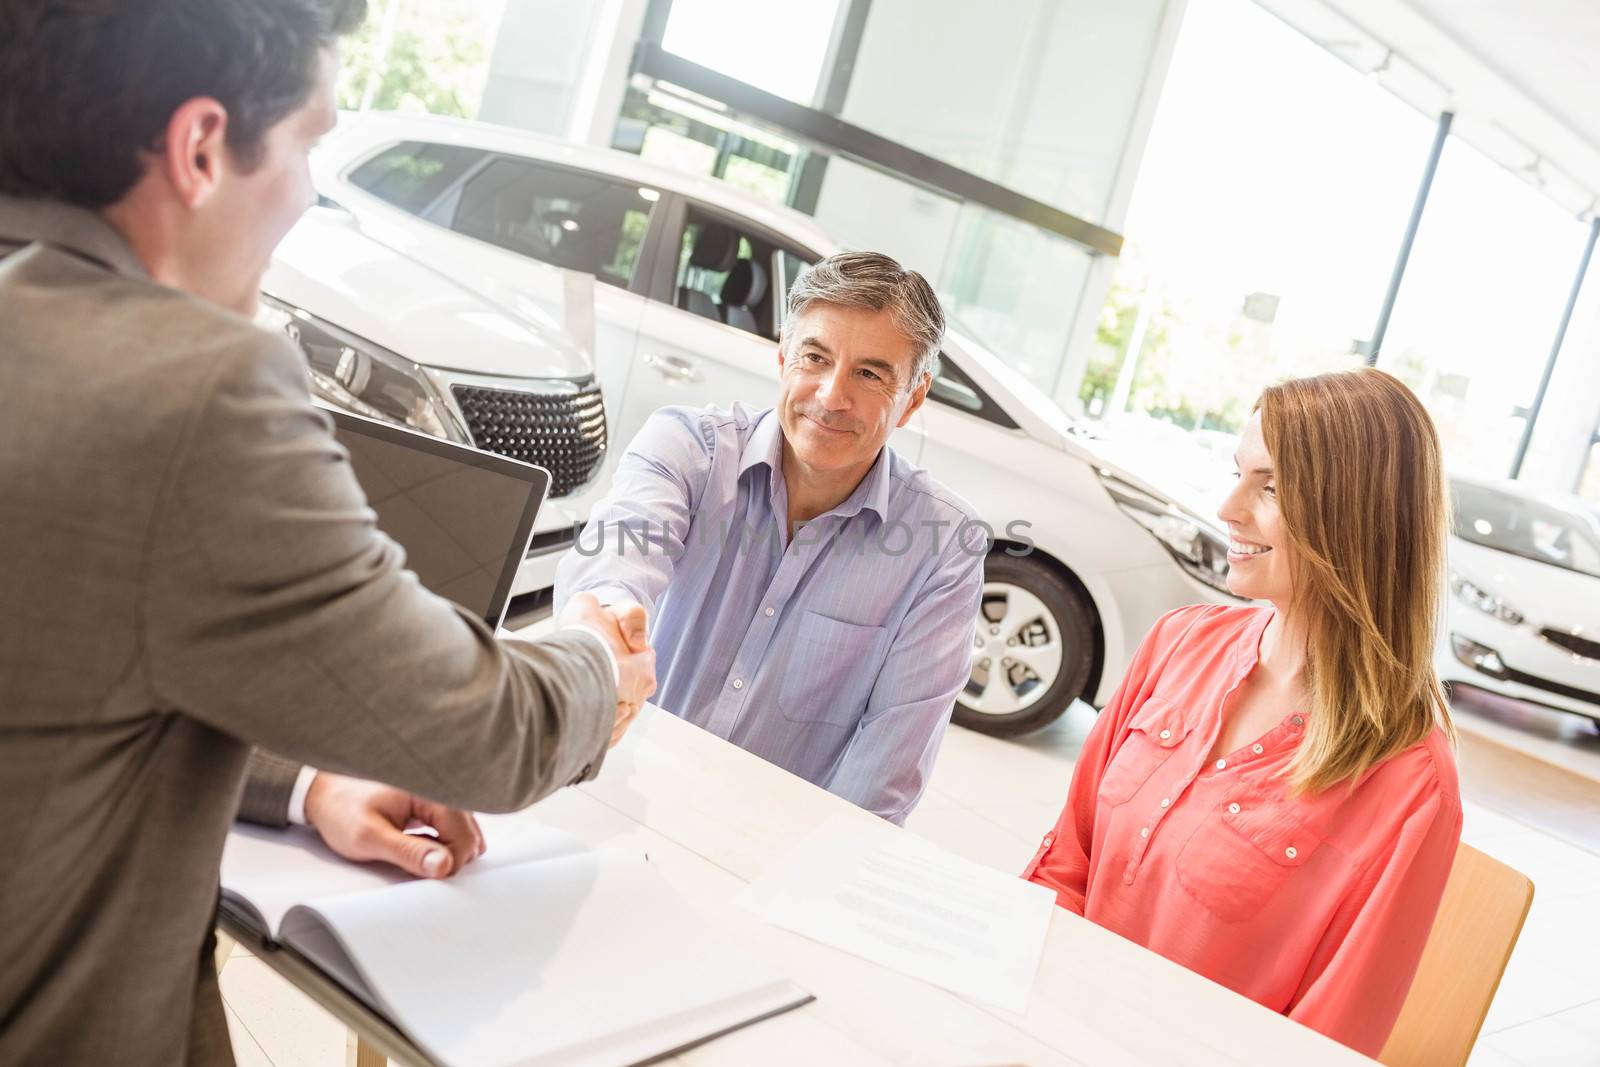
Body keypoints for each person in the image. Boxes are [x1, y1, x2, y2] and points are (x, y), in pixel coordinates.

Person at [0, 2, 654, 1063]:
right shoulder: (194, 392)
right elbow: (491, 728)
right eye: (308, 143)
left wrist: (302, 784)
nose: (310, 192)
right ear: (200, 146)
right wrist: (595, 653)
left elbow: (62, 678)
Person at [1023, 369, 1462, 1058]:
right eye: (1237, 473)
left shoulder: (1410, 784)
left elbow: (1321, 1047)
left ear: (1359, 516)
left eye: (1272, 487)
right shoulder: (1178, 643)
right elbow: (1063, 866)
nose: (1228, 507)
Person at [555, 252, 986, 824]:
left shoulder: (943, 549)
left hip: (766, 851)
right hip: (615, 793)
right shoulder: (687, 449)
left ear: (912, 398)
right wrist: (606, 627)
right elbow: (620, 552)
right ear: (783, 358)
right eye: (815, 357)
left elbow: (885, 773)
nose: (832, 396)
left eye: (870, 373)